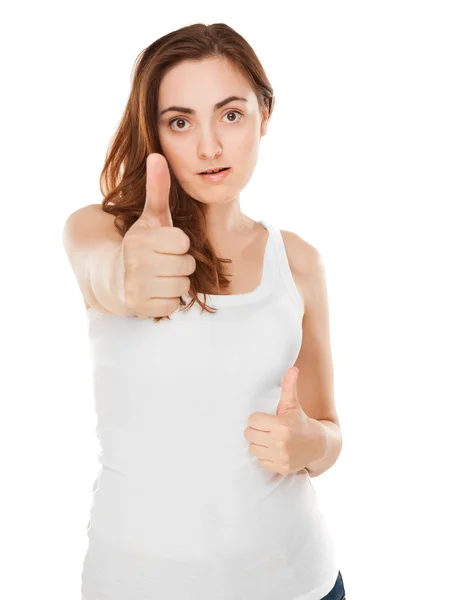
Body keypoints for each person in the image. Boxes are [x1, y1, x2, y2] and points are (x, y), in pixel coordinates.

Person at [62, 22, 346, 600]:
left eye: (231, 115)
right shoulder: (103, 231)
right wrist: (124, 278)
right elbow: (103, 270)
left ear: (265, 115)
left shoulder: (298, 261)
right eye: (181, 122)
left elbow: (327, 430)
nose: (210, 146)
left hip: (298, 581)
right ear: (155, 133)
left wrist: (308, 445)